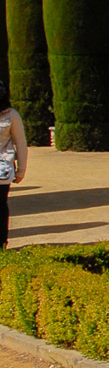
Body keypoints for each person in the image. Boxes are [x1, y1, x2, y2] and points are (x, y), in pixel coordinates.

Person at [0, 82, 28, 247]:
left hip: (2, 166)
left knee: (0, 205)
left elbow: (21, 144)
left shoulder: (11, 115)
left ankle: (1, 242)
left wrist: (21, 171)